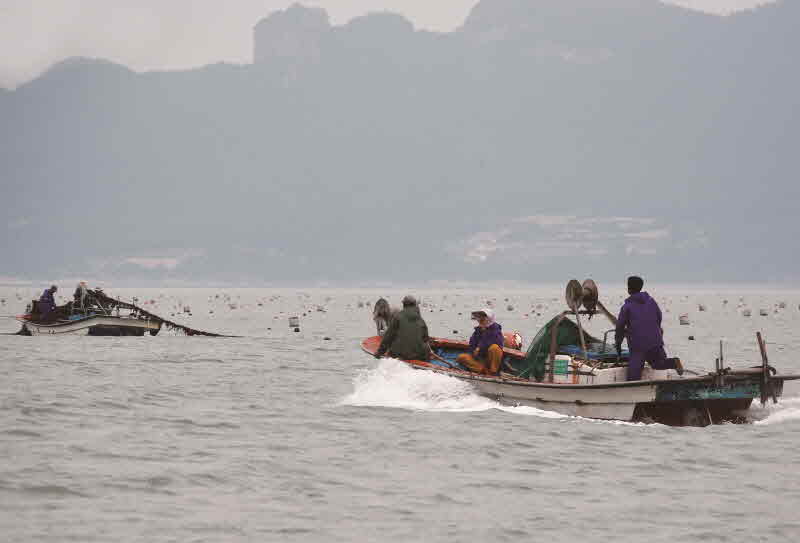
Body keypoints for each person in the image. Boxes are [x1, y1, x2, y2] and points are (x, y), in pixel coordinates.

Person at [615, 276, 683, 381]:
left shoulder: (627, 307)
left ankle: (634, 394)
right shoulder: (651, 301)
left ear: (628, 288)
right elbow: (659, 317)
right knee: (658, 364)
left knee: (634, 374)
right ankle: (674, 362)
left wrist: (618, 344)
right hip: (655, 341)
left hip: (638, 344)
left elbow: (619, 327)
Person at [375, 295, 431, 361]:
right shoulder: (421, 320)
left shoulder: (398, 317)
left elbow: (388, 337)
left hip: (401, 354)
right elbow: (426, 339)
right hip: (418, 355)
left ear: (403, 304)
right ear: (415, 305)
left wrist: (379, 352)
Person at [456, 308, 504, 375]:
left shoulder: (496, 330)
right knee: (461, 357)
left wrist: (480, 348)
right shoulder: (478, 330)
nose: (480, 320)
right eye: (480, 318)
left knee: (494, 348)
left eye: (483, 318)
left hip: (491, 359)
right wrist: (474, 352)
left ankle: (493, 371)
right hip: (480, 359)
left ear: (489, 318)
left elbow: (494, 342)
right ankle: (484, 371)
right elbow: (471, 345)